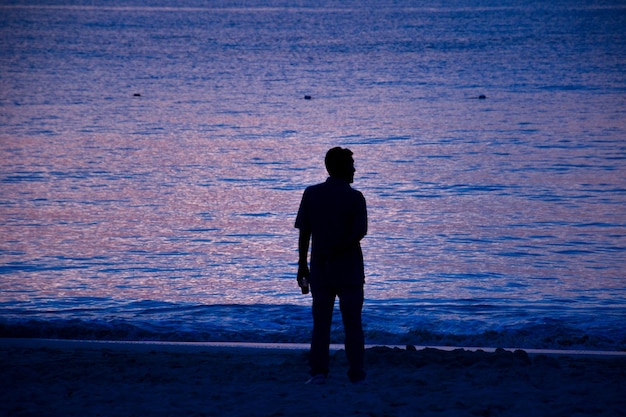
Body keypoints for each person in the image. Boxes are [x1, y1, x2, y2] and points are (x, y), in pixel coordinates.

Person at [295, 147, 368, 385]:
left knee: (321, 323)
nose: (354, 169)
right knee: (352, 324)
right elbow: (359, 232)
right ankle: (356, 373)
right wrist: (337, 250)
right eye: (351, 164)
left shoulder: (312, 194)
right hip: (348, 270)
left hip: (321, 268)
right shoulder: (355, 198)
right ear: (340, 167)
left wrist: (302, 264)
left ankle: (319, 372)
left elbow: (304, 232)